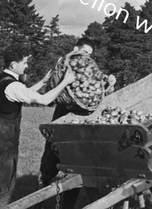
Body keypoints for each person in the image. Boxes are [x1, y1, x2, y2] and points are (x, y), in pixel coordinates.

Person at [0, 44, 76, 209]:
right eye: (24, 63)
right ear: (13, 65)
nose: (26, 66)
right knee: (3, 183)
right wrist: (65, 82)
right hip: (4, 138)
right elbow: (44, 100)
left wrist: (42, 82)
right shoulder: (13, 86)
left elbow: (22, 94)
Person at [38, 37, 115, 207]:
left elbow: (96, 82)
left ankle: (68, 203)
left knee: (77, 162)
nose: (86, 57)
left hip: (81, 116)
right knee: (51, 156)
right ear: (75, 49)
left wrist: (108, 82)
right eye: (85, 52)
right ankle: (40, 195)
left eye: (89, 54)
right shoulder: (63, 64)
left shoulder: (85, 67)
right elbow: (54, 87)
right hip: (63, 115)